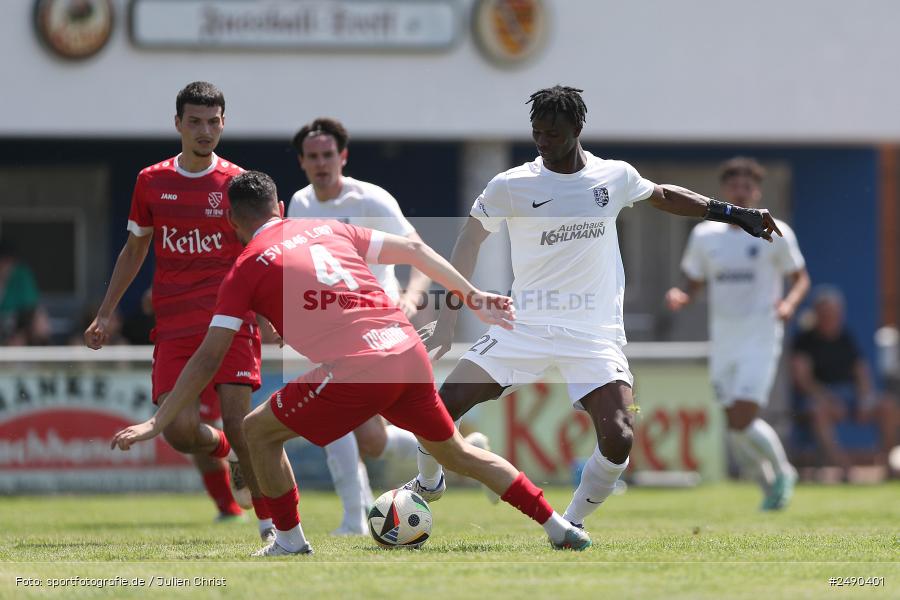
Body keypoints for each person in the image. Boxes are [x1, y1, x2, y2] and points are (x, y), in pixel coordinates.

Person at [110, 170, 592, 556]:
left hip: (359, 366)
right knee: (457, 453)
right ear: (279, 208)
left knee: (257, 432)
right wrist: (473, 296)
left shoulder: (246, 264)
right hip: (405, 351)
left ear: (232, 224)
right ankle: (558, 525)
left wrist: (158, 420)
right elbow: (416, 249)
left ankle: (290, 542)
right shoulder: (326, 227)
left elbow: (208, 356)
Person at [412, 85, 783, 533]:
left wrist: (731, 212)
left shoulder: (613, 176)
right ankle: (428, 483)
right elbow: (469, 241)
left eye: (552, 133)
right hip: (524, 324)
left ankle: (572, 523)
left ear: (577, 129)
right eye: (537, 133)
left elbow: (663, 196)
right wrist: (450, 317)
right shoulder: (512, 184)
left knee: (620, 434)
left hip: (592, 333)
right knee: (438, 406)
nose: (543, 143)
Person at [84, 82, 272, 540]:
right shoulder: (152, 181)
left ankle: (274, 529)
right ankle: (230, 452)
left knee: (236, 419)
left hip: (231, 320)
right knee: (180, 432)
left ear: (223, 123)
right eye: (194, 121)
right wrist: (106, 313)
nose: (204, 130)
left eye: (212, 121)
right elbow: (134, 249)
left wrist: (270, 311)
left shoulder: (236, 183)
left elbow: (261, 249)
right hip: (175, 324)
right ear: (178, 125)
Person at [286, 117, 431, 535]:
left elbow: (419, 252)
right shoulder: (299, 205)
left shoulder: (371, 200)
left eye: (328, 154)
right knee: (367, 436)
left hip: (377, 324)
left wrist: (410, 297)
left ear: (343, 156)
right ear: (301, 162)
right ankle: (447, 444)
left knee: (352, 426)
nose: (321, 163)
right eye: (312, 156)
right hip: (330, 329)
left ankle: (355, 517)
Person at [665, 157, 810, 510]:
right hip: (724, 338)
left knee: (743, 417)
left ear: (756, 191)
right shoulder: (704, 235)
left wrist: (789, 304)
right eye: (734, 187)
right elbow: (694, 280)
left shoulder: (774, 230)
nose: (741, 192)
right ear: (725, 191)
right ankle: (768, 485)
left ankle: (783, 472)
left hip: (761, 334)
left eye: (747, 187)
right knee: (734, 426)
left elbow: (800, 278)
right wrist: (682, 295)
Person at [791, 286, 899, 477]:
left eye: (834, 313)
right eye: (825, 313)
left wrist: (866, 397)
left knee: (888, 406)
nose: (830, 318)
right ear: (817, 313)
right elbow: (802, 379)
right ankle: (845, 469)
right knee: (818, 411)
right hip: (821, 398)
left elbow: (860, 371)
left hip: (850, 396)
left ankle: (888, 466)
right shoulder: (804, 341)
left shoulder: (845, 338)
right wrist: (827, 397)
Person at [0, 240, 40, 344]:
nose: (6, 266)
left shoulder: (21, 275)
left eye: (9, 262)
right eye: (3, 261)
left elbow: (30, 308)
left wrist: (19, 332)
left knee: (40, 321)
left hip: (16, 326)